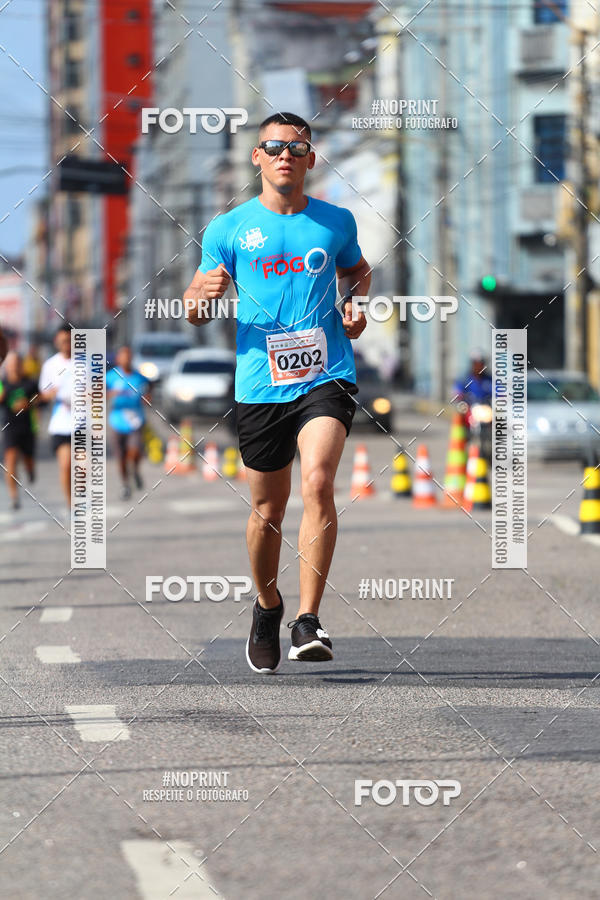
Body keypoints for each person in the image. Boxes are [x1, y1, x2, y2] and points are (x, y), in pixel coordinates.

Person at [184, 112, 371, 673]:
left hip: (325, 373)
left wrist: (354, 304)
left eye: (296, 147)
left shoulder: (335, 221)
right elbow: (194, 307)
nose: (284, 154)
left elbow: (358, 271)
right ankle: (268, 605)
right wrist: (204, 296)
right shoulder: (228, 228)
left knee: (318, 481)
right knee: (268, 510)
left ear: (311, 158)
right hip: (260, 381)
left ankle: (308, 620)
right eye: (272, 146)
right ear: (257, 158)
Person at [106, 345, 150, 499]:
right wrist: (111, 393)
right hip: (117, 421)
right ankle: (125, 483)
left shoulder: (139, 377)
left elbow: (148, 391)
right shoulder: (110, 376)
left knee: (135, 451)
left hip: (135, 421)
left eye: (129, 356)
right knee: (121, 457)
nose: (126, 359)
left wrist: (146, 398)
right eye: (123, 356)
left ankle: (135, 470)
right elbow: (97, 393)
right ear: (118, 359)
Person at [38, 325, 73, 509]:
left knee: (82, 467)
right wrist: (53, 393)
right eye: (62, 341)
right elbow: (43, 394)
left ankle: (79, 495)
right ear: (57, 342)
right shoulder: (50, 365)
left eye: (69, 340)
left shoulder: (86, 363)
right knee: (66, 465)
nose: (66, 344)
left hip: (83, 423)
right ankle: (70, 504)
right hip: (60, 423)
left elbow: (98, 388)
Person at [0, 351, 38, 510]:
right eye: (11, 364)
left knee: (28, 459)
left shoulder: (29, 383)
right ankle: (14, 497)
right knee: (10, 461)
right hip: (10, 427)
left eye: (17, 363)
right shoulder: (2, 384)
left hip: (27, 427)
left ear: (21, 365)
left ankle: (30, 470)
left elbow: (40, 398)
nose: (14, 367)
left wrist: (28, 403)